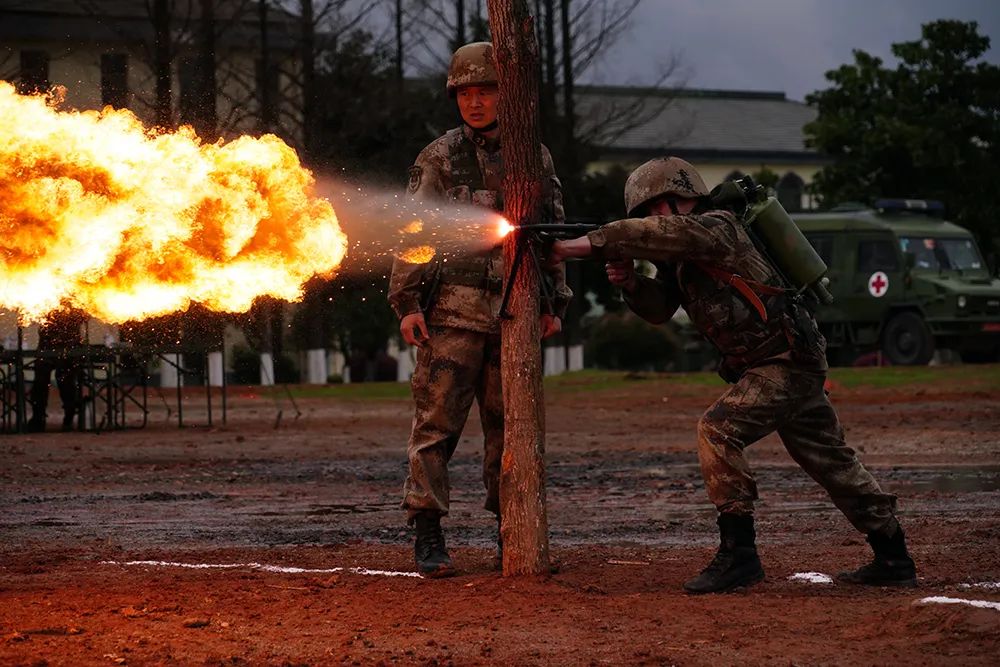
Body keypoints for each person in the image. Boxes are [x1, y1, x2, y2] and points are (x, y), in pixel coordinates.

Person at [548, 157, 917, 593]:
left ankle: (740, 553)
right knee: (829, 460)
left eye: (653, 209)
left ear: (678, 199)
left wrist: (576, 247)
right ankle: (892, 551)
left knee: (718, 430)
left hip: (784, 359)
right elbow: (659, 309)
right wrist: (630, 285)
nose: (650, 220)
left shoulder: (715, 226)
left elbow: (659, 235)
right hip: (774, 362)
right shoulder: (683, 256)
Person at [388, 42, 572, 578]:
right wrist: (406, 302)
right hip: (451, 315)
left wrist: (554, 302)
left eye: (485, 91)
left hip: (516, 316)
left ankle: (510, 534)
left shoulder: (532, 156)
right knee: (436, 427)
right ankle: (427, 535)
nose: (474, 102)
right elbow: (415, 231)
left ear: (503, 95)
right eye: (464, 93)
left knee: (509, 432)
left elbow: (552, 233)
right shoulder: (439, 157)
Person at [28, 308, 87, 432]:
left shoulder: (76, 299)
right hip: (47, 345)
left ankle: (69, 417)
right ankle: (38, 418)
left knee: (66, 381)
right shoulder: (46, 297)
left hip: (68, 346)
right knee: (40, 381)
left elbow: (84, 316)